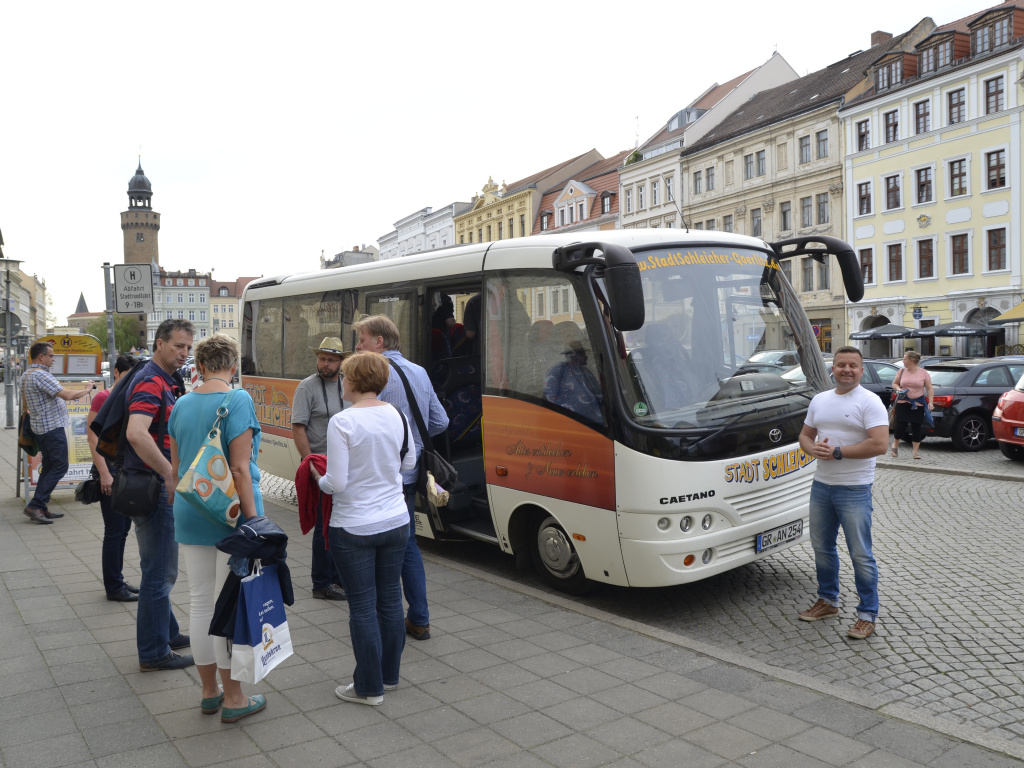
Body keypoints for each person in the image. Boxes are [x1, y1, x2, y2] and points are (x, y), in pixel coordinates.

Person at [169, 333, 266, 723]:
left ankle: (209, 692)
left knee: (200, 601)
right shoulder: (238, 399)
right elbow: (241, 468)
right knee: (231, 606)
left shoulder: (181, 404)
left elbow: (175, 470)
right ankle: (236, 698)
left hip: (190, 508)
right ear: (232, 366)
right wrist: (253, 520)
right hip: (231, 515)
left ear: (201, 366)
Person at [313, 351, 416, 705]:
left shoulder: (342, 422)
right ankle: (389, 675)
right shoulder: (398, 415)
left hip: (354, 526)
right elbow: (409, 462)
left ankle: (368, 688)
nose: (341, 380)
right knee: (389, 598)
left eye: (344, 375)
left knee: (362, 606)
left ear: (353, 381)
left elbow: (336, 482)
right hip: (396, 520)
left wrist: (318, 479)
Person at [355, 315, 448, 641]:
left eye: (362, 340)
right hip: (411, 474)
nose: (357, 347)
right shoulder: (419, 372)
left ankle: (382, 619)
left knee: (375, 546)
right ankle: (419, 619)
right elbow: (441, 421)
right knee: (408, 544)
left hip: (377, 476)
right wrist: (414, 439)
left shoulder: (372, 375)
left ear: (379, 342)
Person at [798, 346, 889, 640]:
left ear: (861, 371)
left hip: (854, 488)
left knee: (861, 554)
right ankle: (828, 602)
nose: (846, 370)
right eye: (840, 365)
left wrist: (838, 452)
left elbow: (879, 444)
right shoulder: (820, 400)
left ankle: (867, 614)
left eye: (852, 365)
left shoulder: (870, 401)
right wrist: (810, 448)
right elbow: (804, 435)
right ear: (832, 369)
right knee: (822, 549)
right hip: (821, 487)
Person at [125, 318, 196, 672]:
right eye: (178, 346)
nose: (185, 353)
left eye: (188, 347)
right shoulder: (153, 380)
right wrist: (169, 474)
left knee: (156, 567)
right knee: (160, 573)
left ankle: (166, 632)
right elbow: (136, 433)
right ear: (159, 343)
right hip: (155, 488)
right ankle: (154, 652)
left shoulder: (163, 378)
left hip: (149, 486)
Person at [291, 337, 348, 601]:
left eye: (331, 359)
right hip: (321, 464)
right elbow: (298, 427)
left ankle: (338, 578)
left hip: (346, 464)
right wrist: (310, 464)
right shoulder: (307, 387)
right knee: (324, 524)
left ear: (340, 362)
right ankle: (321, 583)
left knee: (341, 523)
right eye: (322, 358)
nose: (325, 364)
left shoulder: (348, 384)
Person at [21, 342, 96, 524]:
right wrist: (87, 389)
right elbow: (67, 395)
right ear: (41, 357)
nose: (53, 359)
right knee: (60, 466)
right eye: (51, 355)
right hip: (51, 428)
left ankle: (40, 506)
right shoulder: (41, 375)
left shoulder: (27, 374)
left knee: (49, 465)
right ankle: (36, 504)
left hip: (40, 427)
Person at [87, 355, 139, 600]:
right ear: (116, 373)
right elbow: (93, 438)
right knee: (115, 530)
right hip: (109, 471)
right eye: (128, 376)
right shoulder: (103, 397)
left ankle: (117, 581)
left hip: (125, 471)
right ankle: (114, 587)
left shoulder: (129, 398)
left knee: (123, 529)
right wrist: (105, 474)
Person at [889, 350, 934, 460]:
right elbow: (894, 383)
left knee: (916, 427)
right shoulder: (902, 371)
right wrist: (898, 389)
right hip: (903, 402)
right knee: (901, 426)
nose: (903, 361)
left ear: (912, 361)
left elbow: (929, 388)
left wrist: (931, 402)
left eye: (905, 359)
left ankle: (915, 452)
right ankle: (895, 445)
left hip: (918, 403)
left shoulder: (923, 373)